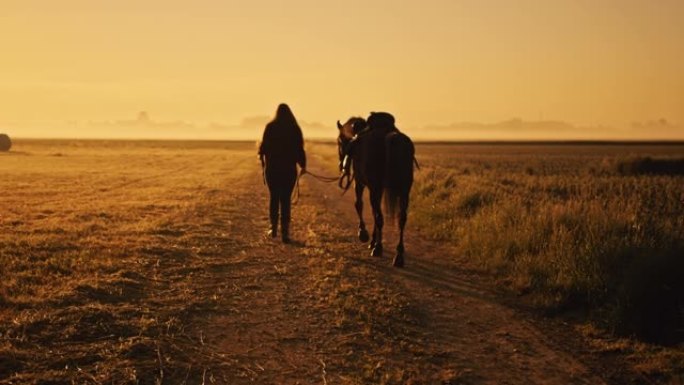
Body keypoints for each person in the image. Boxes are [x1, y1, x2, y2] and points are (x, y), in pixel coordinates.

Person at [258, 103, 306, 243]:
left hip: (272, 169)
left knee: (274, 197)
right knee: (285, 200)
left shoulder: (270, 127)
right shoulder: (294, 128)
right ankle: (285, 233)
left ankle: (273, 228)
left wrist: (264, 164)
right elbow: (300, 149)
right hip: (288, 170)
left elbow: (263, 149)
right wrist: (303, 165)